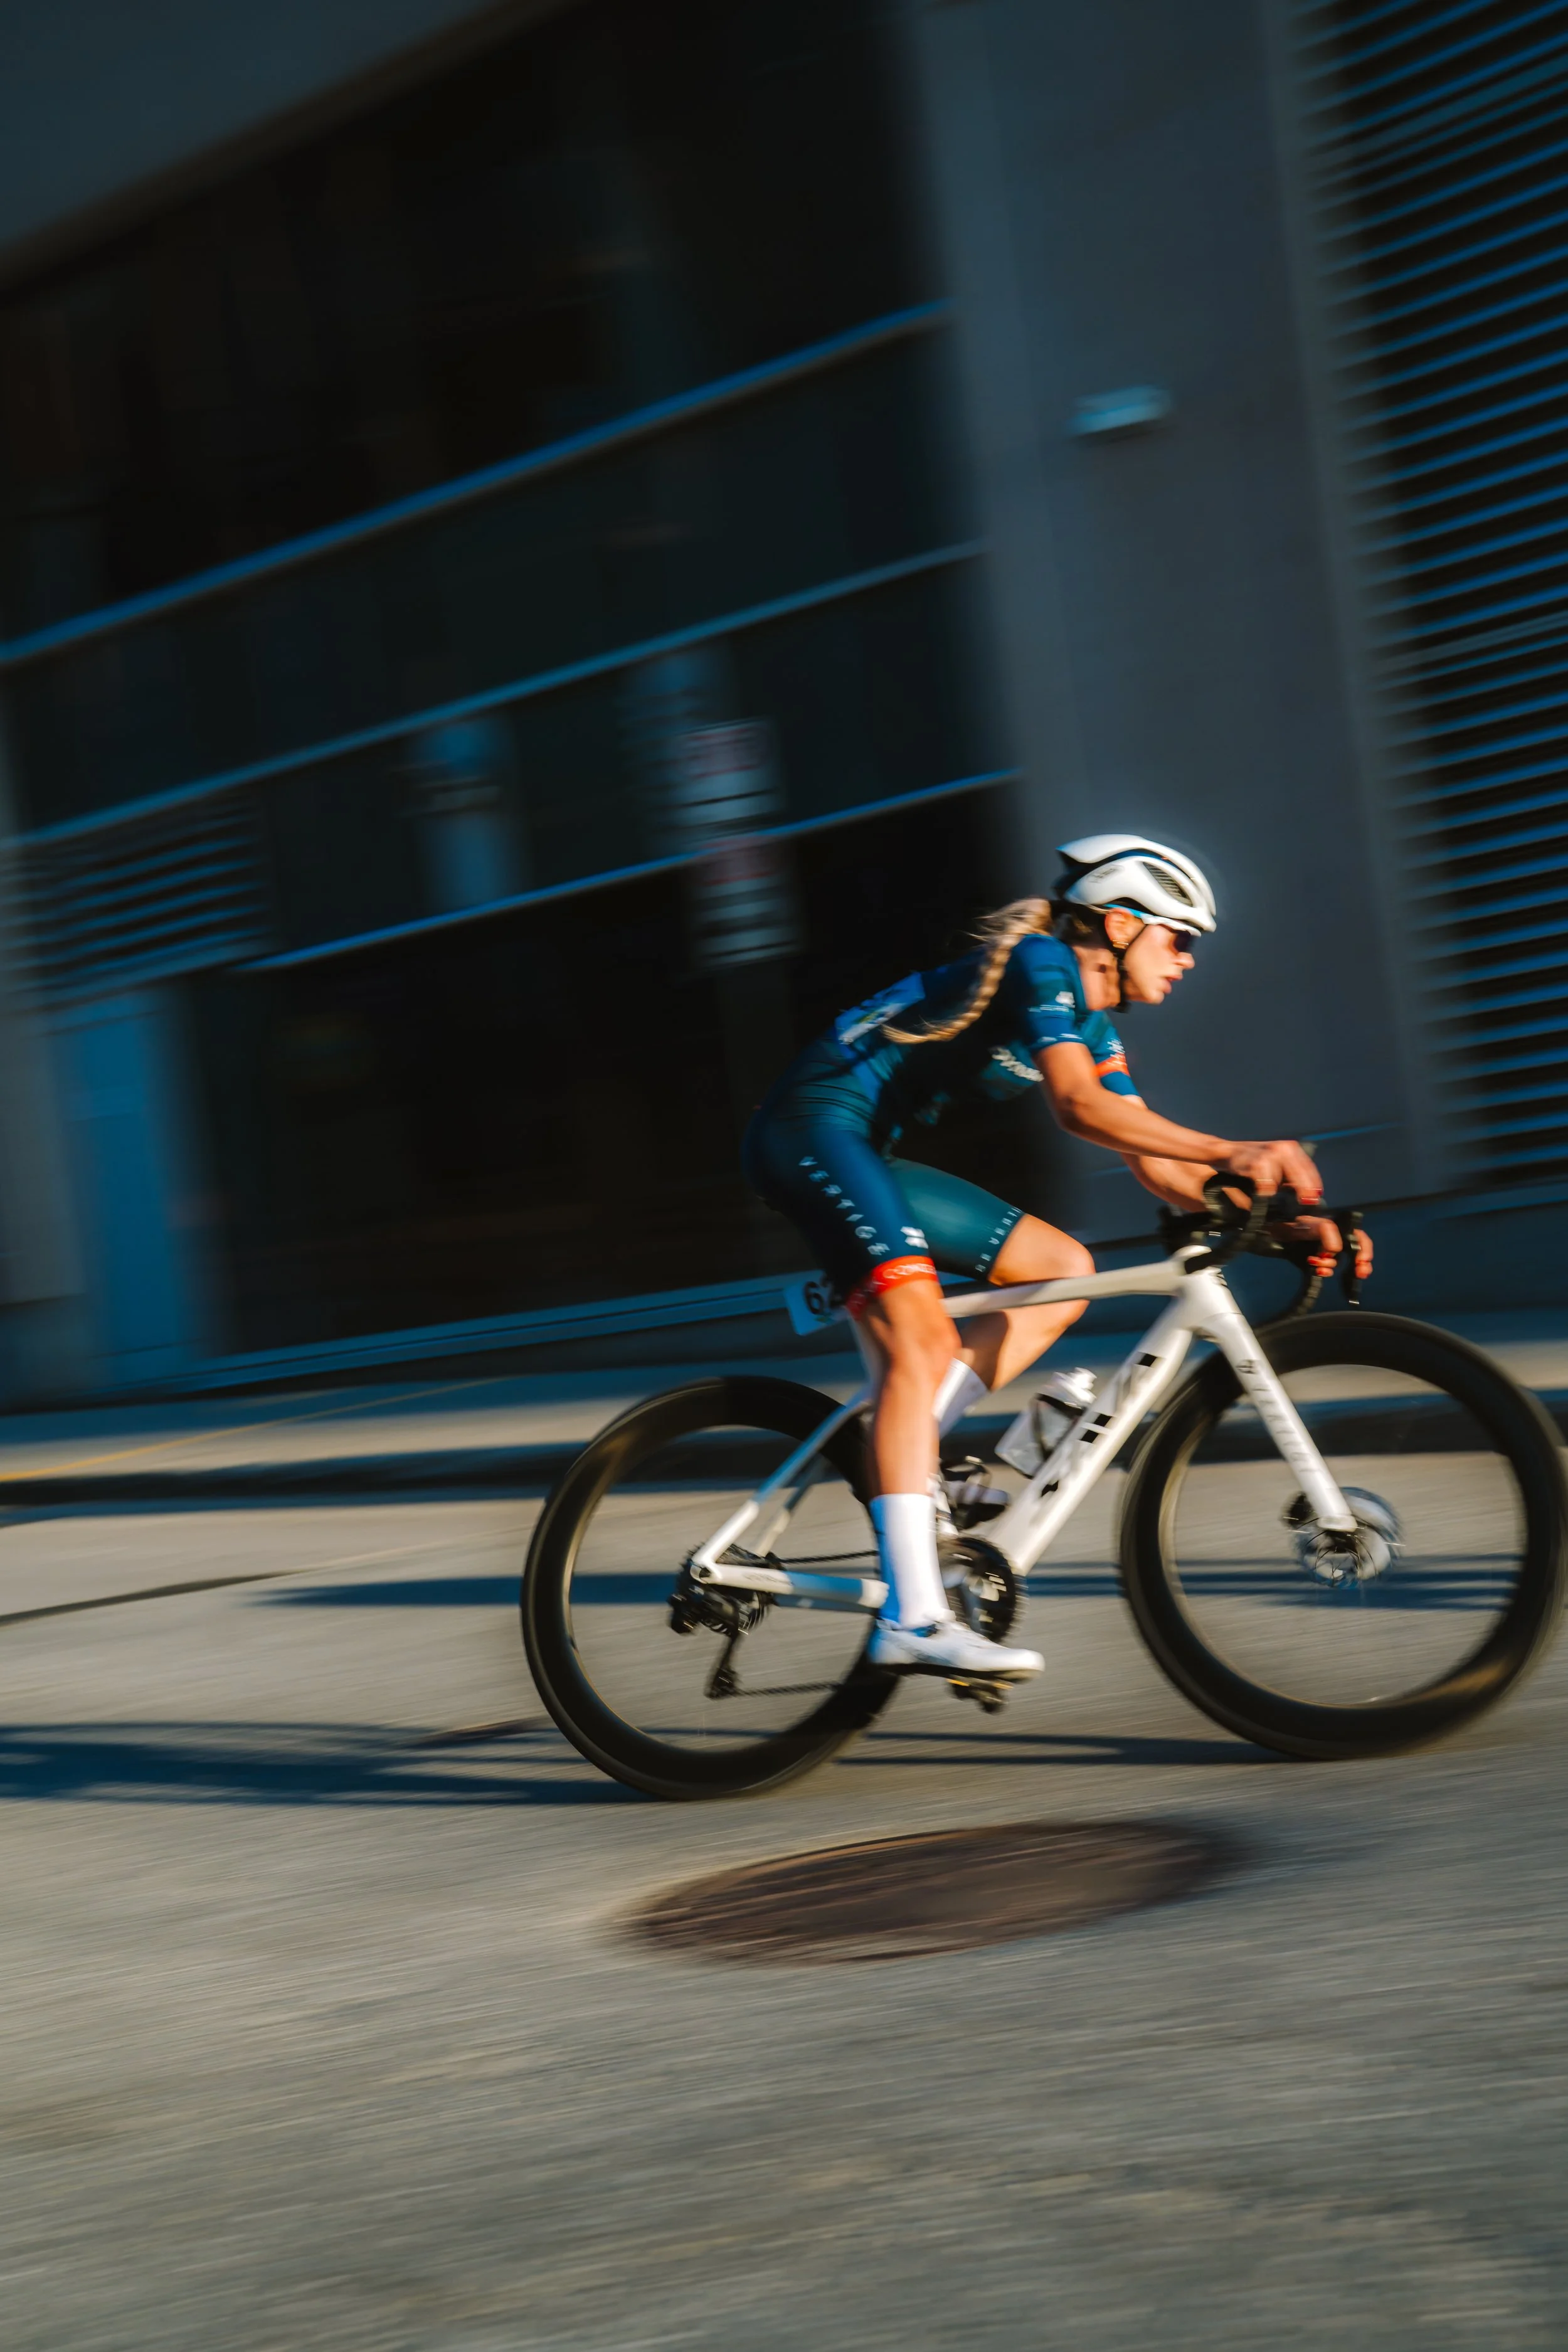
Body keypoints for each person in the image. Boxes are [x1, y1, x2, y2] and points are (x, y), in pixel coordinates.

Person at [742, 832, 1373, 1685]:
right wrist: (1238, 1147)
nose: (1188, 960)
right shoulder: (1044, 963)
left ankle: (907, 1452)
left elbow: (1152, 1162)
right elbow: (1079, 1109)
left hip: (865, 1146)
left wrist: (1282, 1225)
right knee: (921, 1341)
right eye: (1179, 938)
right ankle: (913, 1617)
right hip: (809, 1133)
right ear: (1118, 923)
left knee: (1063, 1267)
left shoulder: (1091, 1016)